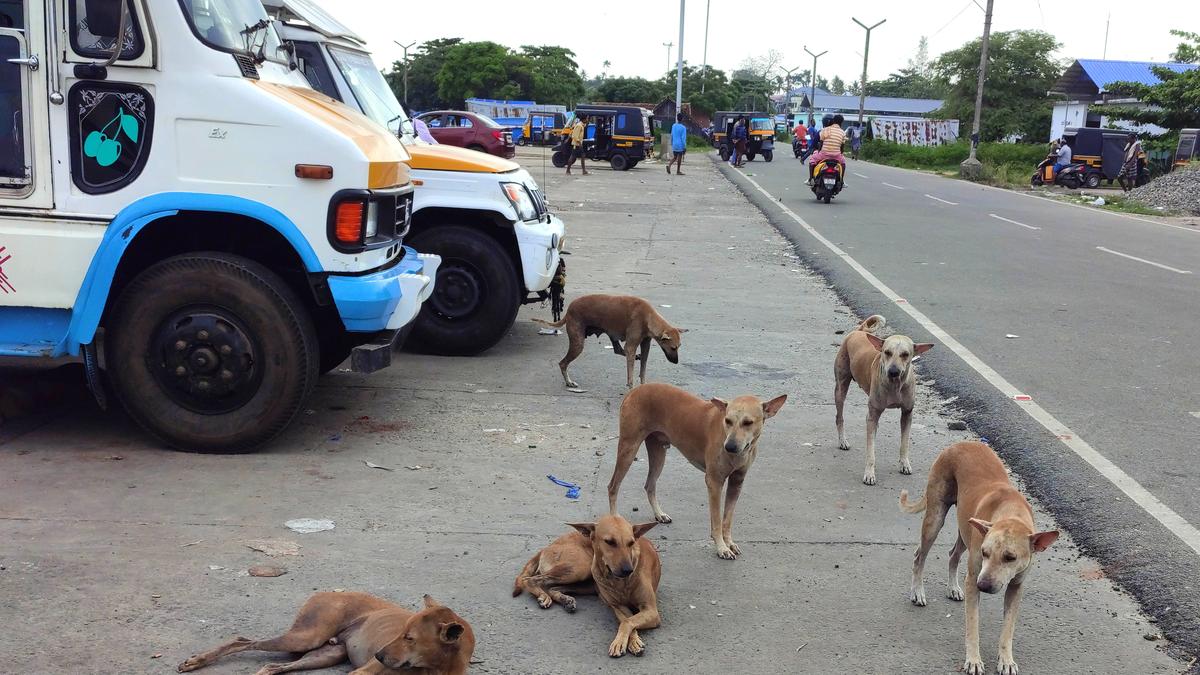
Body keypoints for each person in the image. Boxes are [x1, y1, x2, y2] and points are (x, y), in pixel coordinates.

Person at [808, 114, 847, 183]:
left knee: (812, 160)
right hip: (836, 156)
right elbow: (842, 148)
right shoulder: (843, 132)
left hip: (824, 154)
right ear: (841, 122)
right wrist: (840, 154)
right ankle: (842, 181)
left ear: (833, 121)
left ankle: (811, 179)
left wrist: (819, 151)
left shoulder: (825, 130)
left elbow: (821, 143)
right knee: (843, 163)